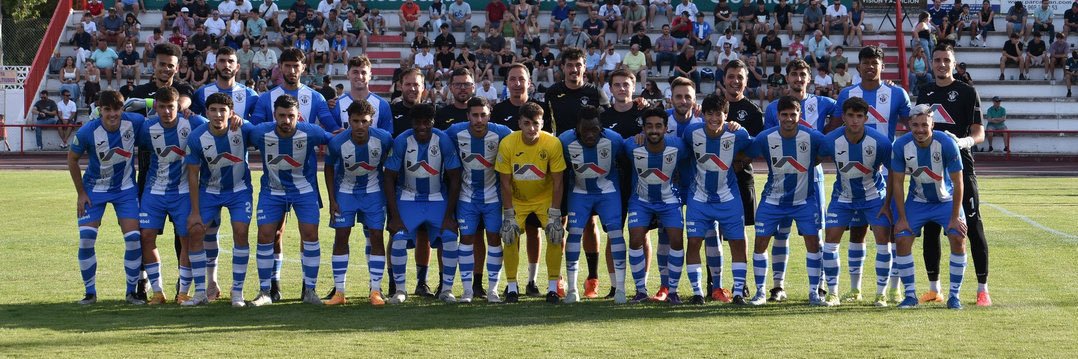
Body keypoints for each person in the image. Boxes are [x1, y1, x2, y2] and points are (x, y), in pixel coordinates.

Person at [915, 42, 990, 307]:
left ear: (953, 62)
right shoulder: (924, 92)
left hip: (961, 166)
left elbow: (979, 132)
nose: (942, 64)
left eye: (946, 60)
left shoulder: (968, 92)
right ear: (931, 62)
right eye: (937, 60)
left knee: (972, 225)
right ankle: (935, 289)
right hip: (931, 169)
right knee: (931, 228)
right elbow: (919, 128)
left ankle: (982, 289)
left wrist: (963, 142)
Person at [247, 95, 333, 307]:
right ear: (274, 115)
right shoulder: (260, 132)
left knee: (311, 234)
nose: (286, 121)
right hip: (271, 191)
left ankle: (310, 290)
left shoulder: (311, 132)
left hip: (304, 191)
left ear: (299, 116)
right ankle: (266, 291)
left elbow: (334, 139)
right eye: (282, 116)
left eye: (291, 116)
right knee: (266, 235)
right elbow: (239, 133)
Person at [745, 96, 827, 306]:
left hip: (804, 201)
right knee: (761, 243)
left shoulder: (812, 137)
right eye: (784, 114)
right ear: (777, 116)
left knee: (813, 242)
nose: (789, 118)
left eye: (793, 114)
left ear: (799, 115)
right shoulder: (766, 138)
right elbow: (745, 153)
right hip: (772, 200)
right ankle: (760, 293)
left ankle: (813, 293)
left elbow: (826, 152)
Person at [67, 90, 146, 305]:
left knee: (132, 240)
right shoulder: (87, 131)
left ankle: (131, 293)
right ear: (99, 110)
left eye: (117, 109)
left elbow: (162, 118)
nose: (113, 114)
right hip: (94, 190)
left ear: (123, 108)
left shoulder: (135, 122)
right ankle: (90, 293)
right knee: (86, 240)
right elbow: (72, 159)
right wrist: (81, 193)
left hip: (126, 190)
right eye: (107, 109)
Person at [816, 97, 894, 307]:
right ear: (844, 116)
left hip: (873, 197)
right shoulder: (830, 140)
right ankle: (833, 293)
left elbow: (895, 172)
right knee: (830, 241)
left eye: (859, 116)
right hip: (843, 197)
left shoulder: (881, 142)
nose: (854, 121)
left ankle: (881, 294)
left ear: (866, 118)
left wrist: (888, 203)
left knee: (883, 243)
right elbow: (814, 158)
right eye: (850, 115)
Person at [135, 88, 210, 306]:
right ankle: (158, 292)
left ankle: (183, 292)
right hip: (154, 190)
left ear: (179, 106)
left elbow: (216, 124)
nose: (167, 111)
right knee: (146, 236)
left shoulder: (193, 123)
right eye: (162, 107)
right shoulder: (147, 127)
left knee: (186, 238)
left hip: (184, 192)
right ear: (155, 107)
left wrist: (234, 119)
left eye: (171, 107)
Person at [889, 104, 967, 310]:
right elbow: (897, 183)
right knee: (902, 238)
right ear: (909, 125)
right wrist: (902, 217)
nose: (920, 130)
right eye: (915, 125)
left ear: (932, 124)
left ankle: (954, 296)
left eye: (925, 124)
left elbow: (958, 182)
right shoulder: (901, 146)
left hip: (946, 201)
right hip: (918, 202)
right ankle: (910, 295)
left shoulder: (946, 143)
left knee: (958, 237)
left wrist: (954, 217)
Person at [384, 103, 463, 304]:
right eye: (417, 122)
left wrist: (449, 216)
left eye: (426, 122)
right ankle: (400, 290)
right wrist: (394, 216)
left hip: (437, 198)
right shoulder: (402, 141)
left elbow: (455, 177)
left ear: (432, 122)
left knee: (450, 237)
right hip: (408, 198)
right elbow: (389, 177)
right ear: (411, 123)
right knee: (399, 238)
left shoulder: (443, 140)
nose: (422, 127)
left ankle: (446, 289)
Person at [320, 99, 394, 306]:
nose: (360, 125)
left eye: (364, 121)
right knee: (341, 236)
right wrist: (332, 199)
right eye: (356, 121)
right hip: (345, 193)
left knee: (377, 236)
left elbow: (392, 166)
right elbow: (328, 168)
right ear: (348, 121)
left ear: (371, 122)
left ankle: (376, 291)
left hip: (374, 193)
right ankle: (340, 292)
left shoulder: (384, 139)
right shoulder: (337, 142)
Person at [184, 92, 255, 307]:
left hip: (239, 189)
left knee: (241, 232)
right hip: (209, 191)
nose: (218, 114)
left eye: (222, 110)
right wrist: (195, 211)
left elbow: (265, 137)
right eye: (213, 110)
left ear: (231, 112)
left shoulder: (244, 129)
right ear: (207, 113)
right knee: (196, 232)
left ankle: (237, 293)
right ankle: (199, 293)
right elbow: (192, 176)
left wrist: (245, 121)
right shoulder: (197, 137)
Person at [681, 94, 752, 304]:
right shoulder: (691, 133)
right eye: (709, 113)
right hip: (699, 198)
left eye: (718, 114)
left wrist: (738, 162)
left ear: (726, 115)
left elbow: (751, 151)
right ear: (703, 115)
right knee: (694, 242)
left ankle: (738, 292)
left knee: (737, 243)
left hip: (728, 199)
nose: (714, 118)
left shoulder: (738, 134)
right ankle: (697, 293)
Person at [495, 102, 566, 303]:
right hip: (518, 199)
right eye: (527, 123)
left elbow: (558, 181)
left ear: (542, 122)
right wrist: (508, 215)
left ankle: (552, 287)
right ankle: (511, 288)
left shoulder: (552, 143)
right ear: (519, 123)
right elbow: (505, 182)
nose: (532, 128)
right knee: (508, 236)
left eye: (536, 123)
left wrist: (554, 213)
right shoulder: (508, 143)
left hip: (545, 198)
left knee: (555, 235)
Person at [557, 105, 627, 303]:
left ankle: (620, 289)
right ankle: (572, 289)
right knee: (574, 233)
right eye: (585, 129)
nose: (589, 134)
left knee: (616, 233)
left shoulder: (614, 140)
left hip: (608, 192)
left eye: (594, 129)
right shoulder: (564, 141)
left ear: (601, 127)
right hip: (579, 192)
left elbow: (628, 158)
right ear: (576, 127)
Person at [446, 97, 512, 302]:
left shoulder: (502, 133)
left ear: (489, 115)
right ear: (467, 116)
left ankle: (493, 290)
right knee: (466, 239)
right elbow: (437, 140)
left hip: (493, 198)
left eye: (483, 115)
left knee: (494, 239)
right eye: (474, 115)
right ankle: (467, 291)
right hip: (466, 198)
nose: (479, 120)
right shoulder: (455, 132)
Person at [622, 107, 688, 304]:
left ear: (666, 128)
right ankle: (640, 290)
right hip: (641, 201)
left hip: (669, 200)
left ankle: (673, 291)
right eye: (649, 126)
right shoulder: (631, 145)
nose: (654, 130)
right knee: (635, 237)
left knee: (676, 239)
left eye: (658, 126)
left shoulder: (678, 146)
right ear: (643, 128)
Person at [250, 48, 339, 130]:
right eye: (287, 66)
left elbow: (333, 128)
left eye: (296, 66)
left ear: (303, 68)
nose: (292, 71)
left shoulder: (317, 97)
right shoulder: (266, 98)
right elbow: (253, 130)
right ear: (280, 67)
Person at [192, 47, 259, 120]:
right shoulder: (201, 93)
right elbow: (194, 121)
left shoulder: (251, 95)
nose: (226, 65)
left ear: (237, 67)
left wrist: (242, 122)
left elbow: (256, 127)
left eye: (231, 61)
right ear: (215, 66)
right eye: (222, 61)